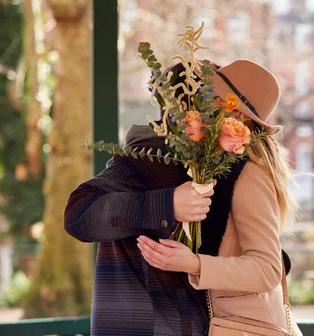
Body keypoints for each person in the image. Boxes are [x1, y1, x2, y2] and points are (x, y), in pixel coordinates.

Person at [64, 60, 298, 336]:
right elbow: (78, 215)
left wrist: (203, 261)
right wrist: (169, 204)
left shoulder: (224, 168)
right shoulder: (145, 161)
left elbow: (261, 262)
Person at [136, 59, 302, 335]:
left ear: (236, 115)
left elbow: (268, 268)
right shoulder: (214, 168)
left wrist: (193, 263)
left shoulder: (249, 175)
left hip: (247, 326)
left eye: (211, 97)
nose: (199, 105)